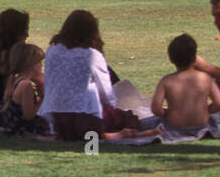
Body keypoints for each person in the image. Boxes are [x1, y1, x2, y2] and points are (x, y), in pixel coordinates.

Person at [36, 10, 150, 140]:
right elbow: (105, 91)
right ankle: (110, 135)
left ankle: (72, 136)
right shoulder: (91, 55)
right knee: (126, 117)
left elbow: (50, 81)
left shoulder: (52, 51)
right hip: (86, 113)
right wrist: (111, 107)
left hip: (55, 113)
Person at [151, 33, 220, 131]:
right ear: (195, 58)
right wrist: (206, 111)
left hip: (176, 127)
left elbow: (156, 109)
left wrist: (168, 113)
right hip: (201, 126)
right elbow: (219, 104)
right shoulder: (206, 79)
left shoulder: (166, 81)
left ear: (171, 59)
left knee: (147, 123)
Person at [0, 42, 50, 137]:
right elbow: (29, 115)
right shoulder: (26, 85)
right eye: (39, 62)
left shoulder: (16, 81)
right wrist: (43, 97)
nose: (41, 66)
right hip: (22, 130)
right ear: (31, 65)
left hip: (11, 127)